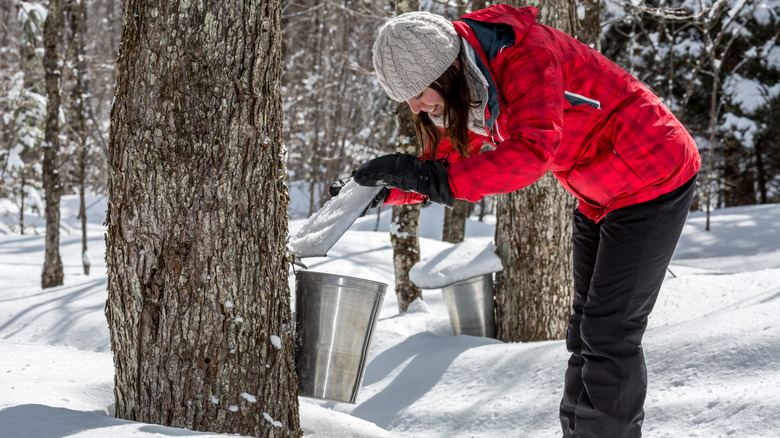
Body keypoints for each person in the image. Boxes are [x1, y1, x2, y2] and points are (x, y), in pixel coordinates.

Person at [345, 5, 701, 438]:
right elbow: (447, 161)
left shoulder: (528, 57)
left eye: (420, 92)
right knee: (585, 331)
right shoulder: (473, 77)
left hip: (653, 176)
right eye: (408, 99)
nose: (418, 108)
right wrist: (384, 189)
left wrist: (432, 179)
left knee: (609, 334)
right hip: (598, 193)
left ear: (449, 67)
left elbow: (532, 153)